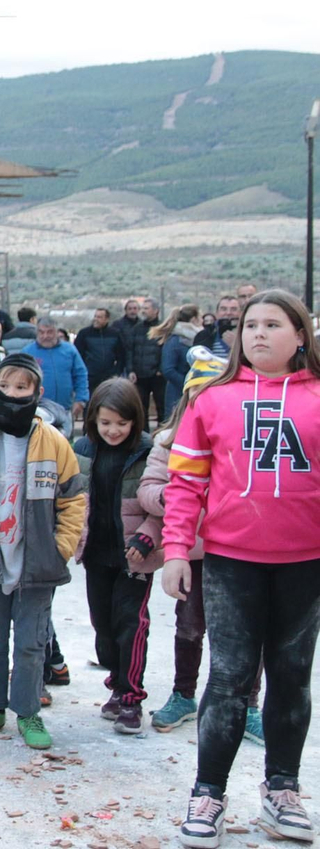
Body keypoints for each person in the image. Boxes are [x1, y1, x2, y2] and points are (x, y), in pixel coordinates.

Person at [161, 289, 320, 848]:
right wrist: (177, 550)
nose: (257, 334)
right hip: (231, 564)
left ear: (300, 336)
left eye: (273, 324)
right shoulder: (213, 400)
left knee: (292, 678)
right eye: (250, 325)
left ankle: (282, 790)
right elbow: (185, 484)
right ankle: (208, 794)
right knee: (228, 679)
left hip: (305, 565)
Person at [0, 352, 86, 751]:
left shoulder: (55, 442)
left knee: (30, 644)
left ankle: (28, 712)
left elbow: (73, 498)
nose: (12, 393)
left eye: (22, 387)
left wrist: (60, 548)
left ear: (37, 392)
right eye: (5, 386)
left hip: (37, 564)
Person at [135, 351, 265, 739]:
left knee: (248, 631)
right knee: (189, 628)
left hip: (242, 552)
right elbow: (148, 490)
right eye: (197, 394)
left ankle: (249, 704)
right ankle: (184, 694)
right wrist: (183, 496)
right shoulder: (168, 441)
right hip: (191, 554)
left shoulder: (248, 435)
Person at [71, 378, 154, 734]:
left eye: (122, 423)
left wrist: (149, 538)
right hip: (96, 553)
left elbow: (164, 504)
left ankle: (131, 698)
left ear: (135, 420)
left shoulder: (149, 452)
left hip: (133, 556)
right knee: (103, 628)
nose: (113, 430)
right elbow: (71, 498)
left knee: (130, 624)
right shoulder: (84, 449)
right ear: (94, 421)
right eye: (106, 423)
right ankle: (116, 680)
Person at [22, 317, 91, 419]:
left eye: (50, 332)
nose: (45, 336)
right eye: (41, 332)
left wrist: (81, 400)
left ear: (57, 332)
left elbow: (80, 375)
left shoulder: (69, 350)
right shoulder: (27, 352)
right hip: (38, 411)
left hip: (65, 409)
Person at [122, 297, 165, 426]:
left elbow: (166, 350)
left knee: (161, 408)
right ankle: (143, 438)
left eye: (147, 308)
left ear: (156, 311)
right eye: (143, 308)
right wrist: (131, 370)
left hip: (157, 375)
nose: (143, 311)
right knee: (141, 408)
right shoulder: (137, 328)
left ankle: (161, 436)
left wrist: (161, 369)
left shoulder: (163, 328)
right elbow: (129, 351)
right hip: (139, 375)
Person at [158, 303, 202, 416]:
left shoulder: (199, 338)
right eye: (200, 317)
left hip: (196, 392)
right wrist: (188, 384)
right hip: (177, 393)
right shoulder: (175, 340)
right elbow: (168, 369)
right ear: (194, 319)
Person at [76, 307, 127, 388]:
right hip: (90, 377)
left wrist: (116, 372)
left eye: (99, 317)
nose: (96, 319)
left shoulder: (115, 334)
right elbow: (78, 355)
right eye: (95, 316)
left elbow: (121, 355)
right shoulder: (84, 334)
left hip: (109, 377)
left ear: (107, 319)